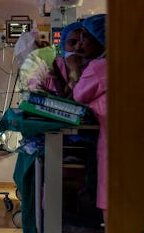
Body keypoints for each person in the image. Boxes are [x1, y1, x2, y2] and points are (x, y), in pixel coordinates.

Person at [70, 14, 107, 223]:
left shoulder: (98, 68)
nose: (79, 45)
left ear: (100, 39)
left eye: (84, 38)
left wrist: (74, 67)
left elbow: (78, 95)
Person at [43, 21, 84, 97]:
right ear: (63, 44)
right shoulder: (50, 67)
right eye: (72, 42)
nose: (77, 47)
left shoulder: (95, 67)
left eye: (82, 43)